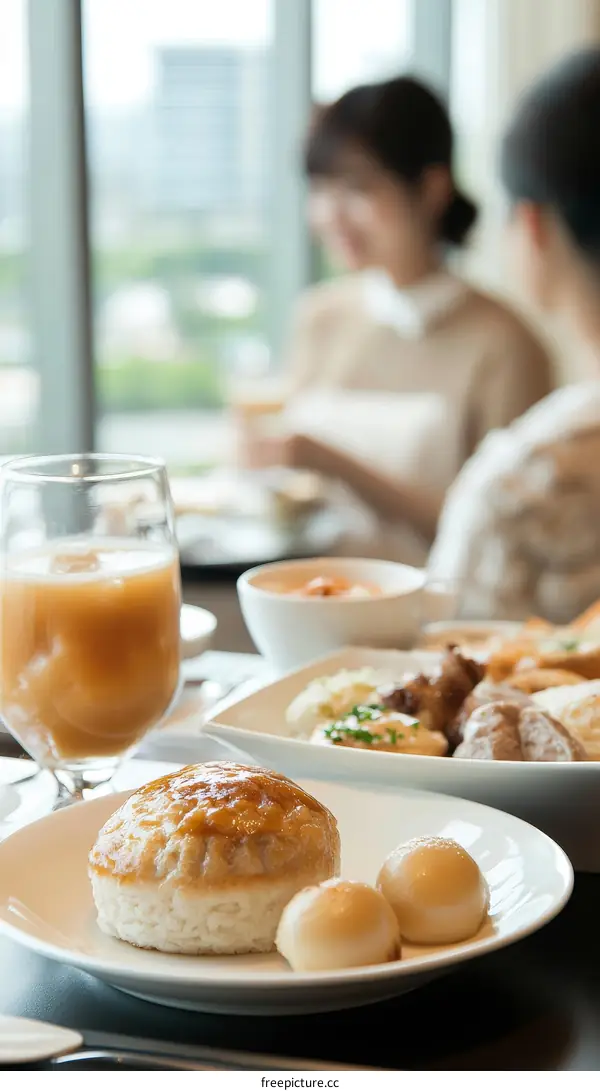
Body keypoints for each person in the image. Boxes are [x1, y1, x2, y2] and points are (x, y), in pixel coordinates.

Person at [276, 75, 552, 541]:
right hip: (305, 597)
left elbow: (506, 535)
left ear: (430, 188)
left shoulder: (505, 342)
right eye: (320, 189)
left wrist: (333, 463)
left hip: (432, 610)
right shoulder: (319, 317)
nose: (330, 214)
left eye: (357, 187)